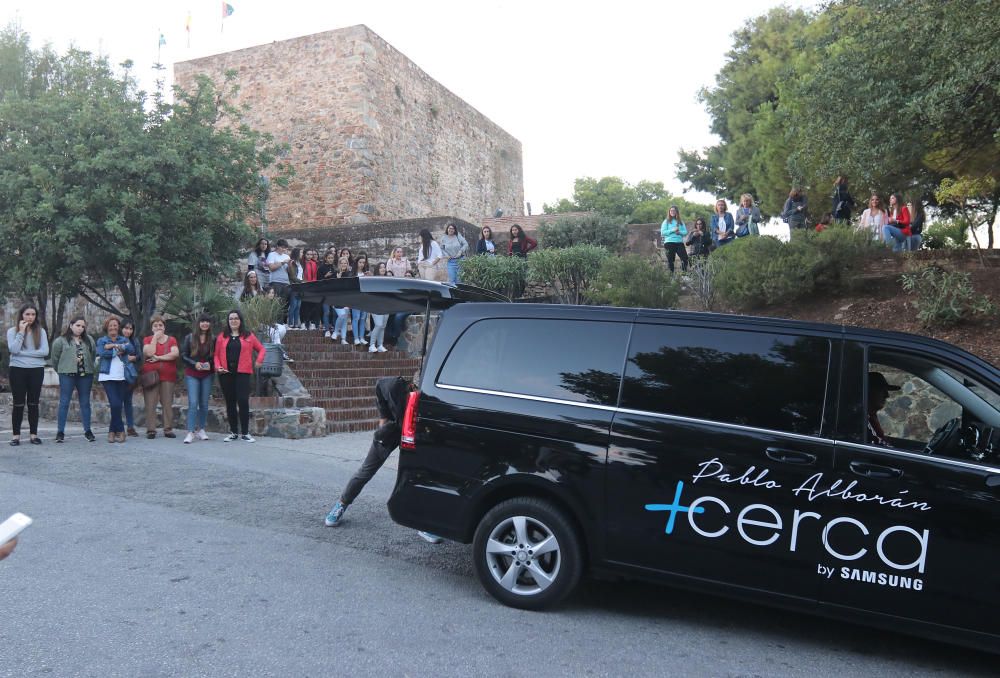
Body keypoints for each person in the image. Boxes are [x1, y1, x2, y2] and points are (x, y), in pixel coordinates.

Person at [323, 376, 443, 544]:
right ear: (411, 385)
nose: (417, 393)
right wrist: (384, 419)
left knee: (416, 477)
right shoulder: (393, 385)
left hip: (413, 437)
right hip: (391, 431)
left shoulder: (431, 398)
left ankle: (423, 524)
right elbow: (379, 388)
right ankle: (341, 505)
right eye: (415, 390)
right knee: (366, 471)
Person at [214, 310, 266, 442]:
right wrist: (217, 366)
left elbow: (262, 349)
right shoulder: (222, 337)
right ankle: (233, 432)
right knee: (230, 402)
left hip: (243, 373)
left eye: (236, 318)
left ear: (240, 320)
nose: (233, 321)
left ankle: (245, 433)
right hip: (226, 373)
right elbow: (215, 355)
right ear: (228, 321)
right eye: (231, 319)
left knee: (243, 401)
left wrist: (259, 360)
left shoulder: (248, 336)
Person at [6, 304, 49, 446]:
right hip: (17, 370)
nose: (30, 317)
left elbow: (44, 352)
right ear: (21, 315)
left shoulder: (40, 332)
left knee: (33, 403)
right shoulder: (12, 331)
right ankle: (16, 436)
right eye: (27, 314)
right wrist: (21, 332)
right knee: (18, 404)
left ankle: (33, 435)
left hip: (36, 370)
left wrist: (21, 354)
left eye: (33, 314)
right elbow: (13, 348)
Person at [50, 316, 97, 443]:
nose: (80, 328)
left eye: (83, 326)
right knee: (64, 402)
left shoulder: (89, 340)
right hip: (67, 375)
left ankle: (88, 431)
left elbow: (92, 355)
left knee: (85, 403)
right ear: (71, 325)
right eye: (78, 325)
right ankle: (60, 432)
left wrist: (88, 367)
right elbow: (55, 359)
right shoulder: (60, 341)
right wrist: (62, 369)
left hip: (85, 375)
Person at [97, 316, 136, 443]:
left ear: (118, 327)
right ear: (106, 327)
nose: (113, 327)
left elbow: (131, 349)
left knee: (118, 405)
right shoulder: (102, 340)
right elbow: (102, 353)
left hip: (122, 376)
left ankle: (111, 431)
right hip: (107, 376)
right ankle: (121, 430)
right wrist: (117, 350)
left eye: (115, 325)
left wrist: (113, 346)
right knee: (115, 403)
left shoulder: (123, 339)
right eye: (110, 325)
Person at [141, 315, 180, 439]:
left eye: (160, 325)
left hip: (168, 375)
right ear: (152, 328)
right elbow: (149, 352)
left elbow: (175, 354)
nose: (158, 327)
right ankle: (151, 430)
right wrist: (155, 339)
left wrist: (159, 358)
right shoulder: (147, 339)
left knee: (167, 403)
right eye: (155, 325)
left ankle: (168, 429)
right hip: (151, 376)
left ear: (164, 327)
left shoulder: (172, 339)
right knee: (150, 403)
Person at [181, 314, 216, 444]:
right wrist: (194, 364)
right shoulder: (189, 338)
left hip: (207, 374)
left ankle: (201, 430)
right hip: (192, 373)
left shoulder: (213, 339)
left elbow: (216, 356)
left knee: (204, 403)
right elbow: (183, 356)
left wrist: (210, 364)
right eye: (203, 321)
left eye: (207, 321)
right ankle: (190, 432)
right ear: (198, 323)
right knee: (193, 402)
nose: (205, 323)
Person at [867, 371, 900, 447]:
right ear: (870, 391)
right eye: (882, 390)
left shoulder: (870, 416)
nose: (887, 396)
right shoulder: (860, 421)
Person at [120, 320, 141, 437]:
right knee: (117, 402)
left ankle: (130, 427)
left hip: (130, 374)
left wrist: (134, 358)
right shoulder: (116, 340)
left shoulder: (135, 340)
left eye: (130, 329)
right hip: (117, 374)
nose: (128, 331)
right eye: (126, 328)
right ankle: (118, 427)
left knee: (128, 401)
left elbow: (140, 356)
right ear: (121, 328)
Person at [265, 239, 292, 318]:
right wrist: (283, 262)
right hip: (275, 282)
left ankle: (282, 323)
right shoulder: (272, 255)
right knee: (275, 303)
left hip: (286, 282)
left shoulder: (287, 256)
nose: (284, 249)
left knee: (284, 304)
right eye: (282, 247)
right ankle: (275, 322)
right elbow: (272, 268)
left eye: (285, 248)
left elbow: (289, 272)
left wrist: (290, 265)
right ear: (277, 246)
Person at [368, 263, 390, 353]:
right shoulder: (373, 279)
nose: (383, 269)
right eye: (381, 267)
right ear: (377, 269)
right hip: (376, 305)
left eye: (384, 267)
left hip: (386, 305)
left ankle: (380, 345)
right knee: (378, 324)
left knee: (383, 326)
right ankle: (371, 345)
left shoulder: (388, 280)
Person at [660, 205, 688, 273]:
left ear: (676, 212)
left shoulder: (681, 222)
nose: (672, 211)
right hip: (669, 242)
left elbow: (685, 232)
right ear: (669, 212)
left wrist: (679, 232)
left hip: (679, 243)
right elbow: (663, 232)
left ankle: (684, 275)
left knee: (685, 259)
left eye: (674, 210)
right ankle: (671, 277)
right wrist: (672, 230)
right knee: (670, 260)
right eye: (671, 210)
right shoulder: (666, 221)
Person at [317, 251, 339, 338]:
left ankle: (334, 328)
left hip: (333, 292)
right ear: (325, 258)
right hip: (325, 292)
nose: (331, 259)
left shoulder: (335, 268)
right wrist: (325, 276)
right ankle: (327, 330)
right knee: (326, 312)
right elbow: (318, 281)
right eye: (329, 258)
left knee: (334, 313)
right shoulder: (321, 268)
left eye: (332, 258)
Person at [351, 253, 371, 345]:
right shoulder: (352, 273)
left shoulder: (366, 273)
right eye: (360, 262)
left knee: (363, 318)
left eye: (363, 262)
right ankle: (356, 338)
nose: (362, 264)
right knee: (356, 318)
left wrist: (370, 277)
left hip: (365, 298)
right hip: (355, 298)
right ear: (357, 263)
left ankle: (361, 337)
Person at [301, 248, 320, 330]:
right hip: (304, 286)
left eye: (310, 254)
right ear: (304, 255)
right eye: (307, 254)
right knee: (304, 305)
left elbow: (315, 275)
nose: (309, 256)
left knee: (312, 305)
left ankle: (312, 322)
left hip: (312, 286)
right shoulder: (302, 263)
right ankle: (303, 322)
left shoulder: (314, 263)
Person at [286, 247, 303, 330]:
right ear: (297, 253)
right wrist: (301, 282)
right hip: (294, 286)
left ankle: (296, 324)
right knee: (293, 305)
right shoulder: (292, 263)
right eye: (301, 253)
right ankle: (290, 323)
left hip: (300, 286)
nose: (302, 254)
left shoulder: (300, 263)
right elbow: (292, 276)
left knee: (298, 306)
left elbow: (301, 274)